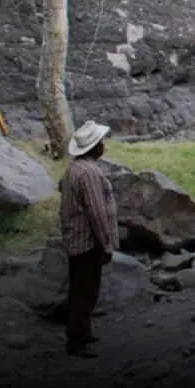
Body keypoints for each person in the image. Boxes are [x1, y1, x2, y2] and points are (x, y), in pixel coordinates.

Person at [58, 119, 119, 358]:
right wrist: (105, 244)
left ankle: (82, 332)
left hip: (75, 238)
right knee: (86, 291)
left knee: (80, 288)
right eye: (101, 143)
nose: (103, 146)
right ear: (94, 148)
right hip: (87, 241)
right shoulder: (90, 173)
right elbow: (97, 212)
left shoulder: (74, 169)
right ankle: (76, 341)